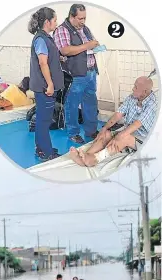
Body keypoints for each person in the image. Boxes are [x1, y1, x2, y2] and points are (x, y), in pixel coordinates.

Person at [69, 76, 156, 167]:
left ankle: (95, 159)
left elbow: (137, 123)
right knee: (106, 134)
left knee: (123, 137)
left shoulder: (152, 104)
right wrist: (104, 128)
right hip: (129, 130)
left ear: (145, 92)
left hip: (143, 139)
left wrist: (120, 135)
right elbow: (118, 114)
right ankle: (85, 156)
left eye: (136, 87)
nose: (132, 88)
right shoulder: (132, 97)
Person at [53, 4, 100, 144]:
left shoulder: (85, 29)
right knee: (72, 105)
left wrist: (96, 45)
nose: (83, 21)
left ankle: (91, 131)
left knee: (91, 104)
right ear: (71, 16)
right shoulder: (62, 30)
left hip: (90, 72)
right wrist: (88, 46)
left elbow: (89, 46)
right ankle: (73, 133)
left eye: (84, 18)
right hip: (75, 75)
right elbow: (65, 50)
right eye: (80, 18)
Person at [28, 7, 64, 161]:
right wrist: (50, 84)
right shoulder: (41, 39)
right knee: (44, 120)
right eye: (55, 20)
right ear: (47, 22)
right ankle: (47, 152)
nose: (56, 23)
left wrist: (58, 59)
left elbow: (47, 59)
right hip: (45, 87)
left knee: (42, 119)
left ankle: (41, 148)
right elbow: (43, 63)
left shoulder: (45, 38)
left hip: (44, 86)